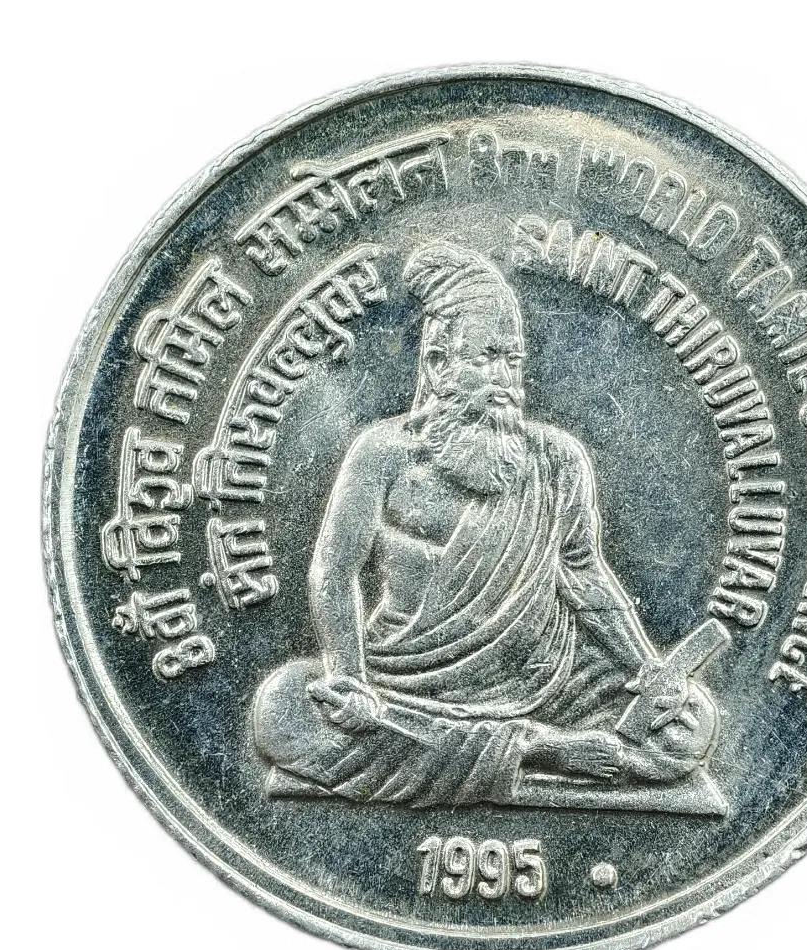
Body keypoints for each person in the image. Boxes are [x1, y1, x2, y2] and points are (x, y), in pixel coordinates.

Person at [253, 243, 717, 807]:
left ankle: (513, 746)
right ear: (437, 363)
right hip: (406, 684)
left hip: (546, 678)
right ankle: (541, 750)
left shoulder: (556, 459)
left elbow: (583, 573)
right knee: (282, 709)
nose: (504, 380)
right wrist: (350, 679)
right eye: (486, 358)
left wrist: (648, 669)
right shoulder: (383, 454)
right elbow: (333, 572)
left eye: (512, 361)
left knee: (688, 726)